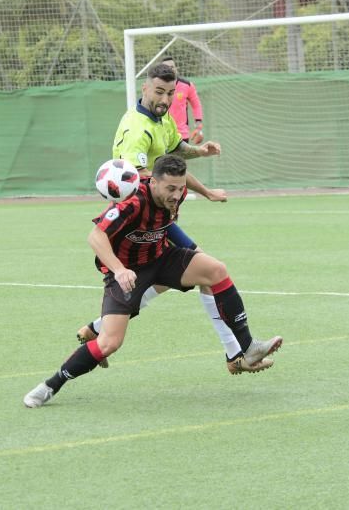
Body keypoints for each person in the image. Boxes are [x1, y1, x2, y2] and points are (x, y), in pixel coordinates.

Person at [25, 155, 281, 408]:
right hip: (129, 272)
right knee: (109, 343)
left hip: (162, 257)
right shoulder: (133, 202)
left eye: (180, 188)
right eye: (170, 188)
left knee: (216, 270)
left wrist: (206, 192)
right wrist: (119, 270)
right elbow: (95, 236)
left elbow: (185, 181)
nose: (176, 194)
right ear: (153, 182)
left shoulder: (177, 191)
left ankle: (247, 347)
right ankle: (51, 385)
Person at [77, 63, 280, 374]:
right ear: (144, 89)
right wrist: (199, 190)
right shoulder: (137, 130)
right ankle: (236, 354)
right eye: (159, 91)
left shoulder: (162, 118)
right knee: (206, 270)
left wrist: (200, 152)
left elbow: (175, 151)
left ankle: (96, 327)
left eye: (171, 93)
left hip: (160, 216)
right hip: (140, 221)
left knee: (176, 279)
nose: (165, 98)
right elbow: (150, 180)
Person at [161, 56, 204, 144]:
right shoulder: (157, 87)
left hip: (181, 135)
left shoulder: (187, 85)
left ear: (176, 68)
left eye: (172, 67)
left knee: (179, 158)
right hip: (161, 134)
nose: (169, 70)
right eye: (166, 68)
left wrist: (198, 125)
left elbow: (196, 105)